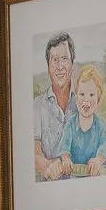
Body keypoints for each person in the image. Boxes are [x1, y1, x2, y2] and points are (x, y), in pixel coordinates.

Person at [31, 29, 78, 178]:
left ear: (72, 64)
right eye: (54, 60)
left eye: (64, 58)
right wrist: (47, 166)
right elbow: (33, 152)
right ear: (48, 68)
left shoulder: (83, 101)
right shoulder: (38, 105)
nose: (60, 66)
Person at [64, 62, 106, 176]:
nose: (86, 100)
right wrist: (66, 159)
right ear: (76, 97)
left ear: (98, 98)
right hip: (74, 178)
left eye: (91, 95)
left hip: (94, 177)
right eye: (82, 94)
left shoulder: (100, 126)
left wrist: (98, 160)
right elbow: (64, 147)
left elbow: (105, 146)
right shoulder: (70, 124)